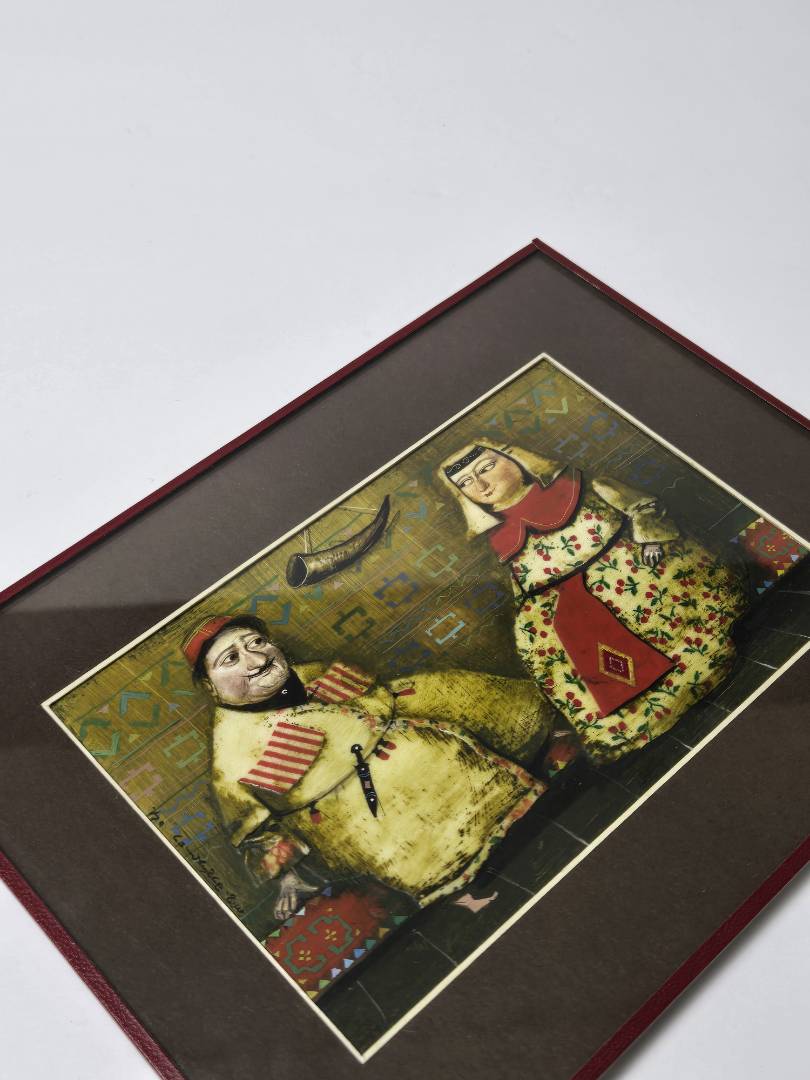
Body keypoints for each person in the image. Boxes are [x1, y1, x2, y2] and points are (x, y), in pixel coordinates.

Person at [183, 614, 549, 916]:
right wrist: (289, 878)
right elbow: (251, 829)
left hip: (426, 755)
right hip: (366, 822)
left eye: (256, 642)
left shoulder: (309, 674)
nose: (255, 658)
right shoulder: (232, 755)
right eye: (231, 659)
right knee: (424, 854)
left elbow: (370, 697)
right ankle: (468, 897)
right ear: (211, 687)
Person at [438, 439, 748, 764]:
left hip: (623, 573)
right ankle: (634, 719)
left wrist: (649, 538)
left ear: (514, 459)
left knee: (638, 597)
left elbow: (640, 506)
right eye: (466, 483)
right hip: (562, 607)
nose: (482, 485)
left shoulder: (574, 487)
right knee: (547, 642)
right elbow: (525, 583)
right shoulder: (501, 537)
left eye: (486, 468)